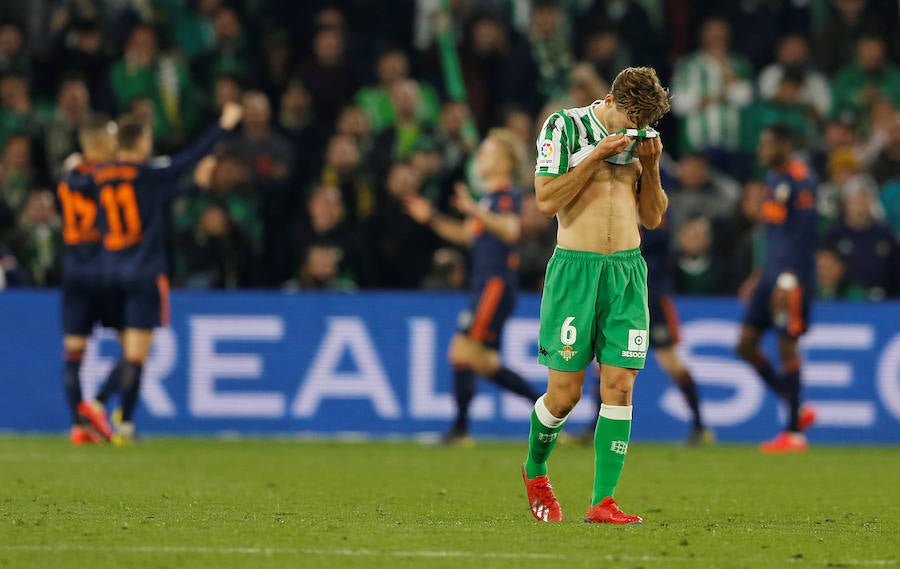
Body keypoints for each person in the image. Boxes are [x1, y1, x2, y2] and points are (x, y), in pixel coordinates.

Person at [524, 67, 671, 524]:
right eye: (631, 120)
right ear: (610, 100)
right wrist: (594, 157)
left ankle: (603, 500)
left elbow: (653, 218)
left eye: (644, 123)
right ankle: (535, 469)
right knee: (564, 395)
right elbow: (547, 202)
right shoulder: (563, 127)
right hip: (576, 272)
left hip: (626, 274)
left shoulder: (641, 136)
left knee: (621, 385)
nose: (636, 129)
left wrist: (650, 165)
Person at [88, 102, 243, 444]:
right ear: (141, 142)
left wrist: (196, 188)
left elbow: (163, 197)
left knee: (132, 352)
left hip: (109, 274)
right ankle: (104, 410)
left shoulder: (101, 177)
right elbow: (189, 158)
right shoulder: (147, 173)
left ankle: (117, 418)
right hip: (143, 273)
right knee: (137, 354)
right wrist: (224, 125)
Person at [405, 129, 539, 444]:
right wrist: (431, 218)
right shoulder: (489, 200)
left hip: (495, 284)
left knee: (461, 351)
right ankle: (547, 413)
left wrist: (475, 209)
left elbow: (509, 230)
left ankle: (460, 430)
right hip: (487, 286)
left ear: (506, 161)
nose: (481, 157)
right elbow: (467, 235)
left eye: (488, 151)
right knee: (485, 362)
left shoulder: (505, 196)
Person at [735, 124, 818, 454]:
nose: (762, 151)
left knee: (787, 345)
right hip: (769, 276)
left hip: (792, 279)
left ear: (785, 145)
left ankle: (794, 433)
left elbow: (803, 238)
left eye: (768, 145)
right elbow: (773, 237)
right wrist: (759, 274)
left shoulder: (801, 180)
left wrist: (786, 279)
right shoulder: (772, 180)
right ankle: (794, 403)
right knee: (745, 345)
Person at [56, 114, 123, 444]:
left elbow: (72, 177)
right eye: (111, 139)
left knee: (73, 355)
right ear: (99, 144)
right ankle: (96, 407)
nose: (116, 145)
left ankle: (78, 426)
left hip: (73, 273)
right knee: (135, 351)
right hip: (105, 271)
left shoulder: (67, 176)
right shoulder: (107, 177)